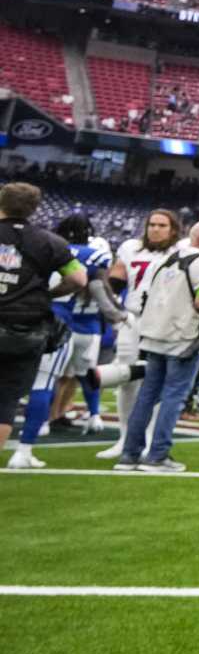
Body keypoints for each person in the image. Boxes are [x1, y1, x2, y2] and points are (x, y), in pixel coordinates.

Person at [110, 220, 199, 472]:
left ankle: (130, 454)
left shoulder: (167, 259)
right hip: (183, 338)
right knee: (174, 396)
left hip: (155, 334)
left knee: (147, 396)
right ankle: (158, 455)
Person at [10, 215, 118, 469]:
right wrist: (120, 316)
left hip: (21, 316)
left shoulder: (37, 245)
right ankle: (25, 449)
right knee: (46, 382)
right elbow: (96, 288)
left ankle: (50, 423)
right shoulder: (93, 255)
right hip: (64, 323)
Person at [0, 183, 88, 461]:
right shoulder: (50, 242)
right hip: (25, 328)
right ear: (34, 208)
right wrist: (50, 294)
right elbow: (79, 279)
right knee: (6, 401)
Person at [98, 208, 181, 447]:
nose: (155, 229)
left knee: (157, 380)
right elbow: (114, 281)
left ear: (173, 229)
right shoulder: (130, 248)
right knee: (127, 378)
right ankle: (124, 437)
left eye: (162, 225)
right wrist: (117, 312)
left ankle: (148, 436)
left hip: (166, 322)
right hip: (134, 319)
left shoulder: (181, 251)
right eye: (152, 224)